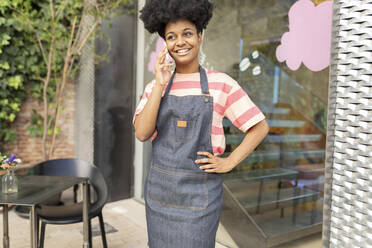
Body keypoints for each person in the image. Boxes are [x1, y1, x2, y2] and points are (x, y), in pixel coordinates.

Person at [133, 0, 269, 247]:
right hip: (161, 195)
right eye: (171, 37)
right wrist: (160, 84)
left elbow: (259, 127)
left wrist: (230, 161)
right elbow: (142, 133)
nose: (180, 42)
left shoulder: (221, 84)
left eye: (187, 33)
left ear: (200, 36)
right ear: (165, 44)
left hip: (200, 198)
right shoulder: (155, 87)